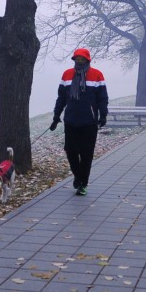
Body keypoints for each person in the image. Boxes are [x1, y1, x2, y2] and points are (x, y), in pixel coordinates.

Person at [50, 47, 108, 196]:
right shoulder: (67, 75)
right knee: (70, 151)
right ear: (74, 60)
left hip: (89, 122)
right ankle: (77, 175)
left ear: (87, 60)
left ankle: (83, 183)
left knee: (86, 154)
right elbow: (61, 98)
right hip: (71, 121)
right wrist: (56, 116)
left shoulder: (97, 75)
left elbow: (102, 98)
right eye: (77, 59)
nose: (80, 61)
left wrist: (103, 115)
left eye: (82, 59)